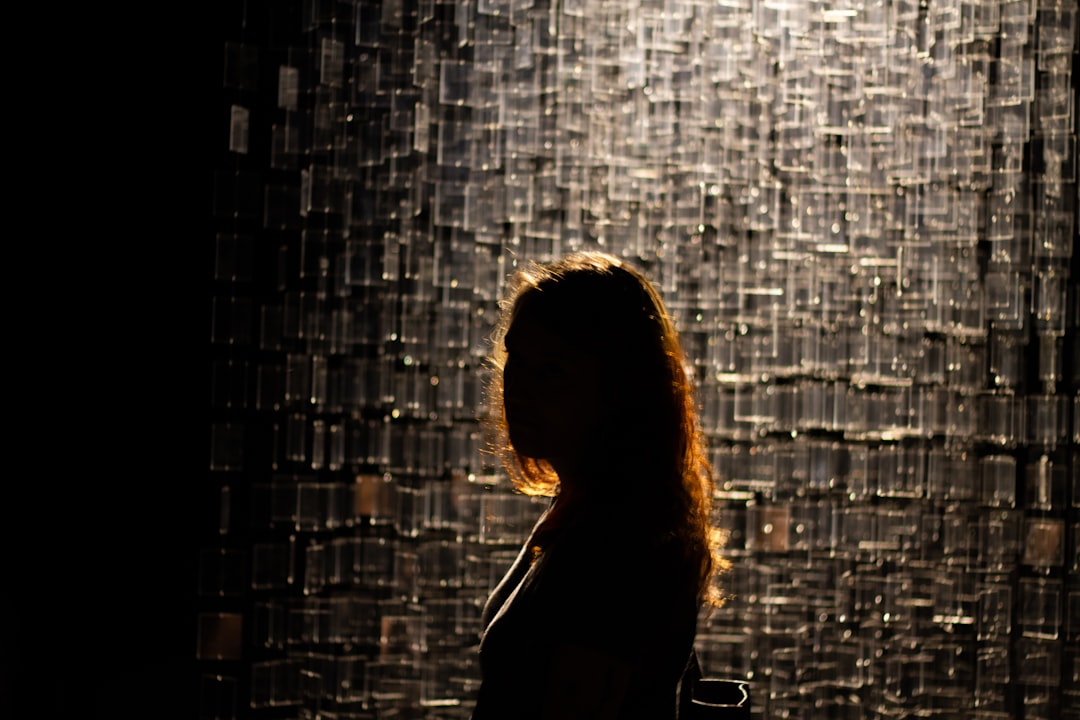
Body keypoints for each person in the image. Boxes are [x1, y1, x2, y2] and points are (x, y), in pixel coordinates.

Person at [472, 252, 726, 720]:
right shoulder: (586, 507)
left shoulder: (621, 545)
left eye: (553, 370)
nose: (519, 387)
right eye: (517, 357)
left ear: (618, 388)